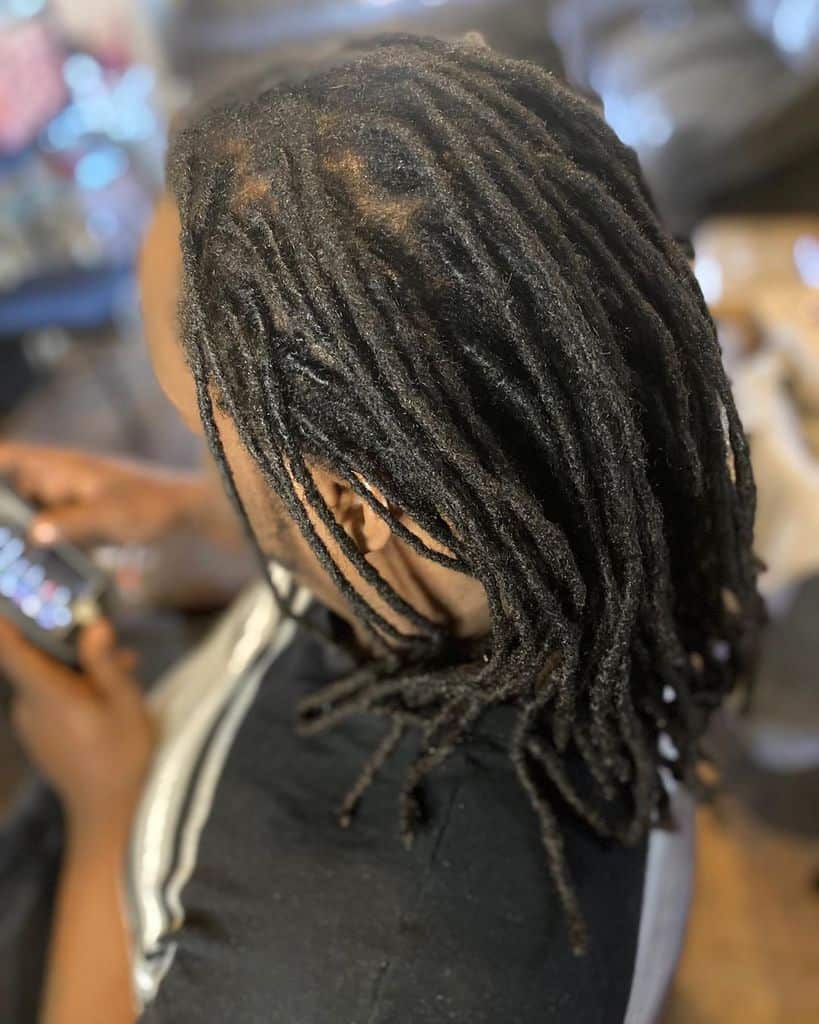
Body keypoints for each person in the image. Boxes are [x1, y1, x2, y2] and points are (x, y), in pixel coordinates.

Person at [0, 34, 764, 1024]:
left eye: (202, 429)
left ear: (353, 516)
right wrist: (201, 511)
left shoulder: (358, 973)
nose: (203, 466)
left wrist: (102, 805)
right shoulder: (610, 515)